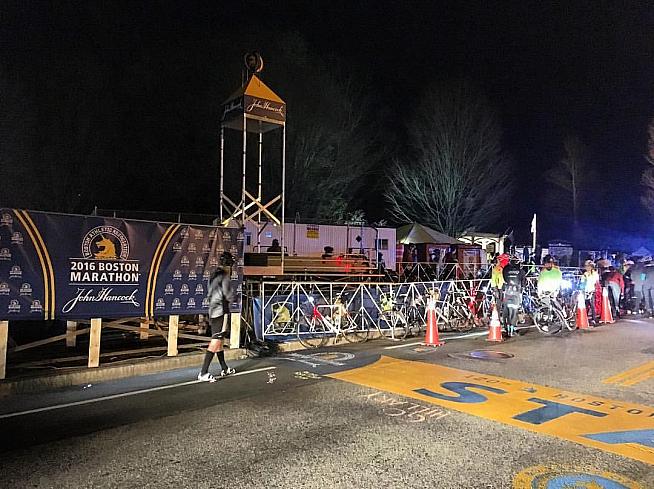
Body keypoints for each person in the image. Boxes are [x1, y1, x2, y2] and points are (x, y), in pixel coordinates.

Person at [198, 251, 236, 382]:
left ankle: (224, 367)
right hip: (221, 311)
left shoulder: (213, 274)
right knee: (216, 339)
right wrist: (234, 297)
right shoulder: (225, 276)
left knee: (220, 340)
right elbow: (228, 295)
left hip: (212, 310)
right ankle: (203, 372)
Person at [502, 255, 526, 337]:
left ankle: (507, 329)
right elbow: (523, 283)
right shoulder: (521, 271)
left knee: (507, 312)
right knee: (514, 312)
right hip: (516, 293)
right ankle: (512, 330)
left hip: (507, 292)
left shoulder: (505, 269)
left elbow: (504, 279)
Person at [581, 260, 600, 324]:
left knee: (592, 305)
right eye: (586, 266)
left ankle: (594, 318)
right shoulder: (585, 274)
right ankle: (584, 318)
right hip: (585, 291)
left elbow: (596, 282)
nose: (587, 268)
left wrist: (594, 290)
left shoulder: (595, 274)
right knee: (586, 305)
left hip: (592, 291)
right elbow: (582, 283)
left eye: (588, 266)